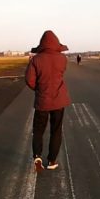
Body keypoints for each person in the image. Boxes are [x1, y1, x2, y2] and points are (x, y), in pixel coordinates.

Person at [25, 30, 71, 172]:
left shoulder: (36, 60)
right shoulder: (63, 59)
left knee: (38, 130)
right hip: (59, 99)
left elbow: (29, 80)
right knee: (56, 130)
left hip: (42, 101)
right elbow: (60, 73)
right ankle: (52, 160)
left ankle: (37, 156)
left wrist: (39, 90)